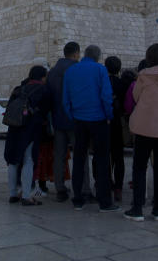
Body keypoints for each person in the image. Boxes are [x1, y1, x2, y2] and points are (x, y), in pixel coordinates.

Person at [124, 43, 158, 222]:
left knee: (140, 167)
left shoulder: (143, 76)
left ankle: (137, 208)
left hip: (145, 126)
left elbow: (136, 97)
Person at [62, 45, 119, 213]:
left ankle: (78, 199)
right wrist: (109, 116)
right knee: (102, 160)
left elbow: (65, 99)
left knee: (79, 159)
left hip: (79, 120)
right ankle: (104, 202)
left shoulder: (71, 71)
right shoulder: (100, 70)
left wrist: (72, 116)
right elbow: (106, 96)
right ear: (98, 56)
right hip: (99, 120)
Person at [47, 41, 88, 203]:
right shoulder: (77, 69)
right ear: (76, 53)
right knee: (81, 155)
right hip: (76, 119)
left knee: (59, 156)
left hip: (57, 120)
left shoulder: (52, 72)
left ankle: (60, 188)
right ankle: (85, 189)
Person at [5, 65, 51, 206]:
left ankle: (13, 194)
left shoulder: (18, 90)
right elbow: (46, 112)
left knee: (13, 161)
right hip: (31, 130)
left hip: (14, 128)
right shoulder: (43, 90)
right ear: (43, 77)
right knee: (29, 160)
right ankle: (26, 195)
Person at [105, 55, 129, 202]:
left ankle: (105, 182)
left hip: (104, 122)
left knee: (103, 155)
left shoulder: (102, 82)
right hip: (119, 124)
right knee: (118, 156)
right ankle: (118, 187)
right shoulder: (123, 84)